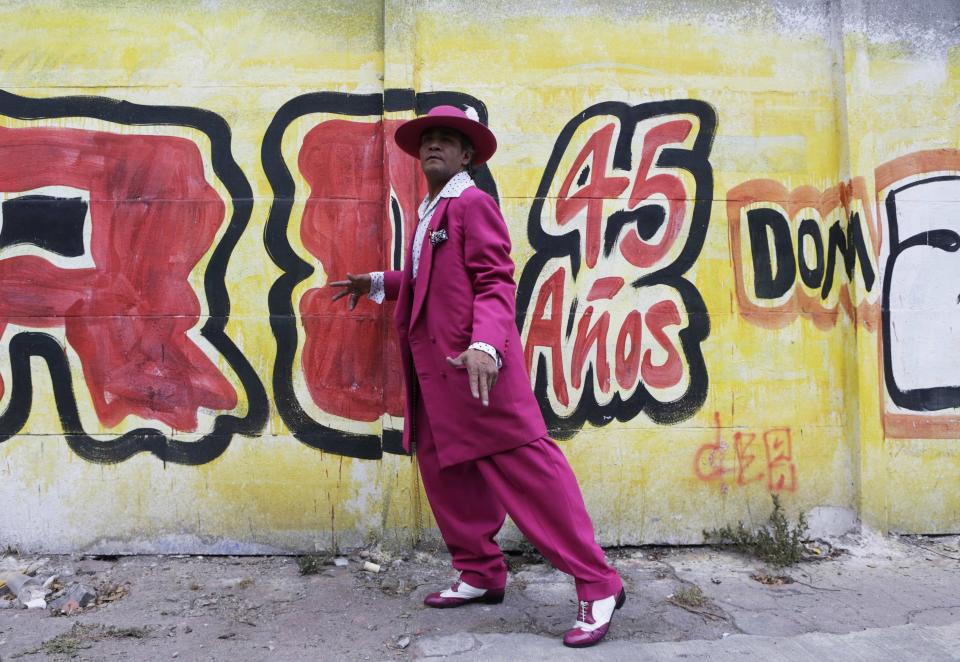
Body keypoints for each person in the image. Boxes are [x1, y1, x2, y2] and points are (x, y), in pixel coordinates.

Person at [330, 105, 625, 648]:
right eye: (427, 141)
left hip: (479, 373)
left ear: (467, 155)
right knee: (446, 474)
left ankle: (598, 582)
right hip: (438, 376)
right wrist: (380, 282)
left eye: (446, 140)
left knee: (531, 476)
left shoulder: (472, 203)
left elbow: (495, 280)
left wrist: (486, 344)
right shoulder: (431, 211)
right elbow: (431, 282)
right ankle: (481, 572)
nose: (433, 147)